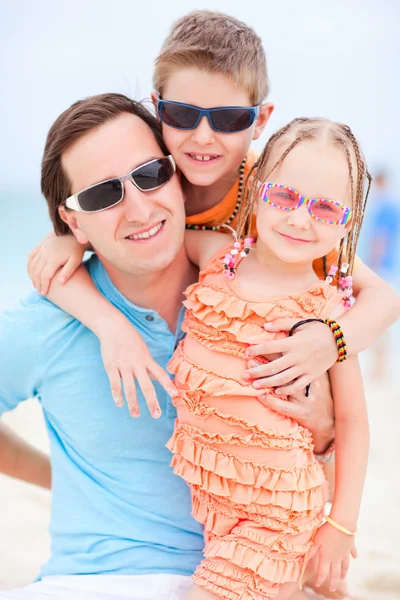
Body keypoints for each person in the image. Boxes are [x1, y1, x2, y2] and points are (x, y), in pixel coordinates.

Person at [0, 95, 338, 600]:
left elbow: (306, 490)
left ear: (179, 178)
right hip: (93, 583)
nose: (138, 208)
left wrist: (326, 436)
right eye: (100, 196)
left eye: (150, 175)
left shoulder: (260, 303)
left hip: (246, 580)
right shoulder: (47, 323)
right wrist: (59, 477)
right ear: (72, 221)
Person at [29, 11, 400, 404]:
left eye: (229, 118)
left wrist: (331, 342)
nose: (203, 137)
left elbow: (383, 298)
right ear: (158, 109)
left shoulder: (277, 199)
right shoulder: (152, 183)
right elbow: (95, 232)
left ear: (260, 120)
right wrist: (76, 248)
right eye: (182, 114)